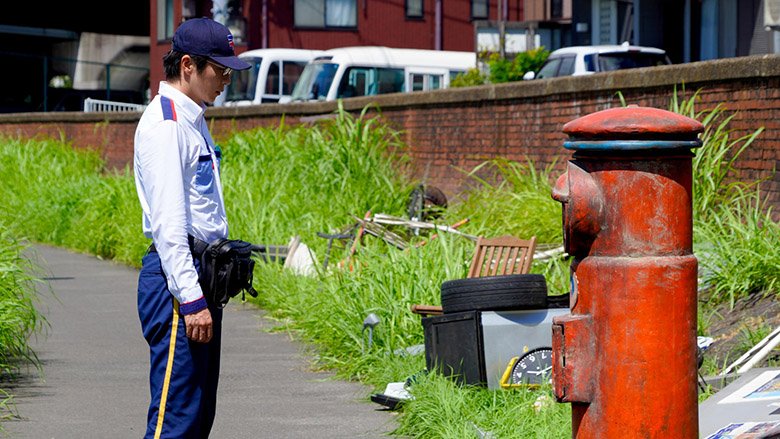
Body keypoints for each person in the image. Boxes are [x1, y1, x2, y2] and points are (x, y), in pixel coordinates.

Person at [133, 17, 250, 438]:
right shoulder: (166, 126)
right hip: (178, 285)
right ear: (188, 66)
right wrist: (192, 299)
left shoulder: (190, 118)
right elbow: (169, 225)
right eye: (219, 71)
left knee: (198, 417)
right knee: (175, 422)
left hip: (197, 280)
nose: (224, 81)